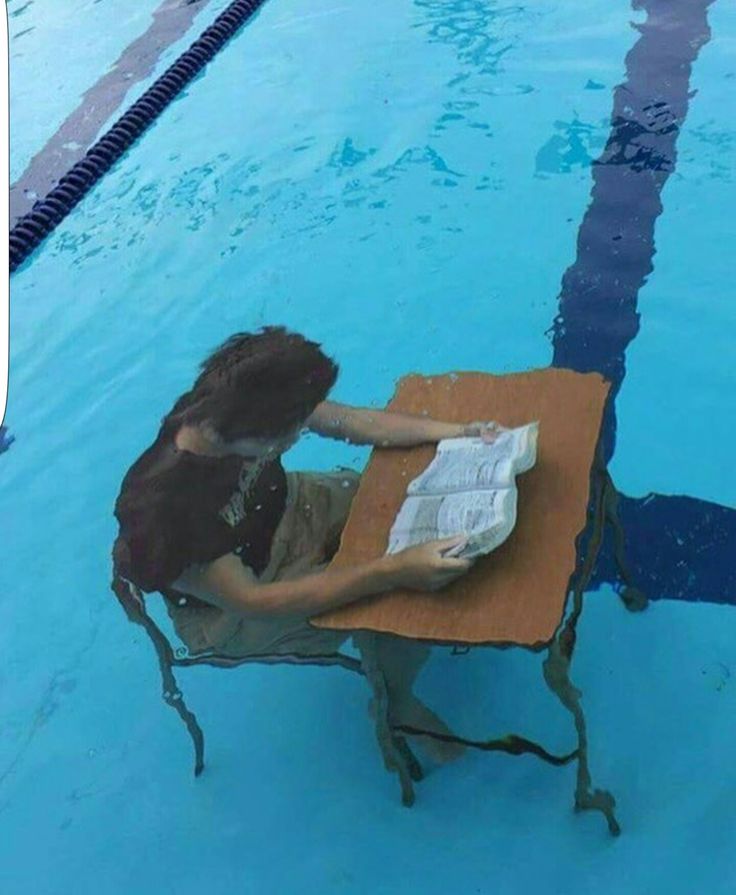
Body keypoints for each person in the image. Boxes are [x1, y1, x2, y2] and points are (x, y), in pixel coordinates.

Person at [112, 327, 498, 762]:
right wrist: (392, 570)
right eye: (293, 432)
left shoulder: (232, 404)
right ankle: (397, 703)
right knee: (389, 602)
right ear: (263, 435)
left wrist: (457, 432)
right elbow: (254, 601)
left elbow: (352, 422)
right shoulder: (166, 514)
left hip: (287, 510)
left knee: (403, 498)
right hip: (233, 604)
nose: (299, 436)